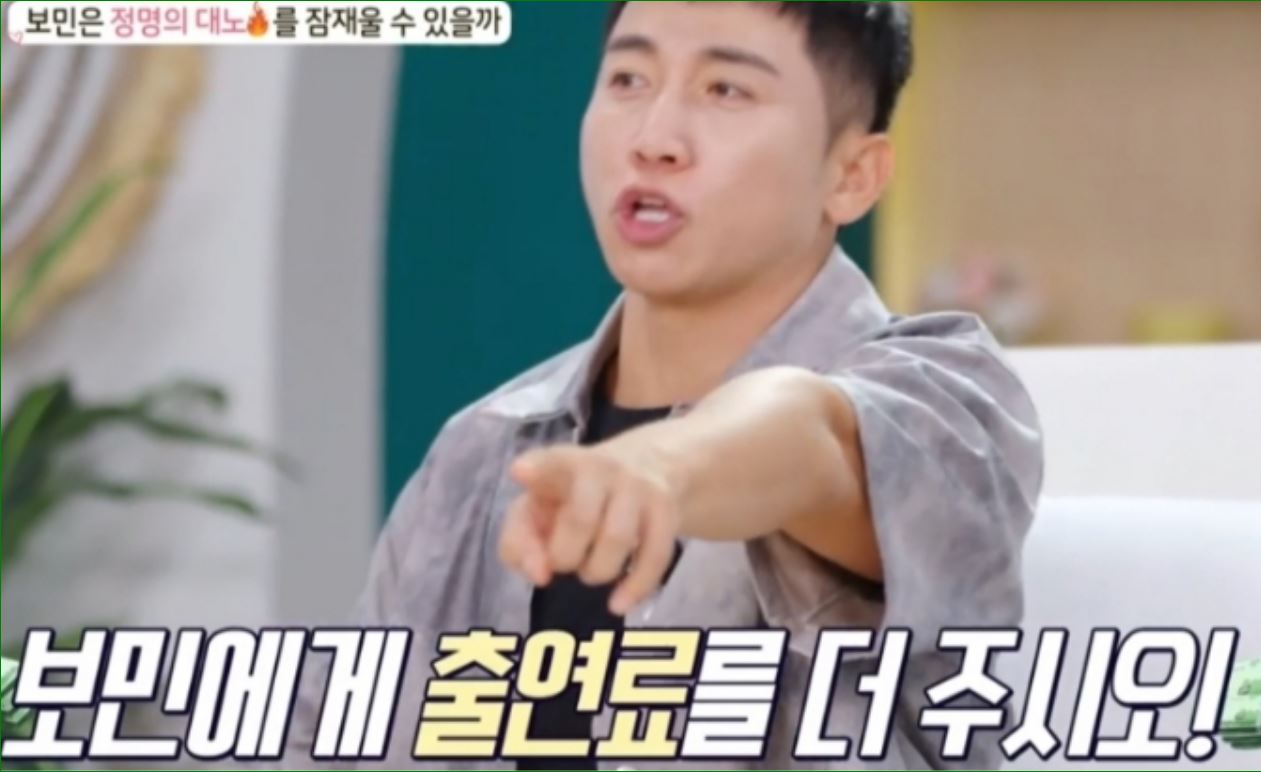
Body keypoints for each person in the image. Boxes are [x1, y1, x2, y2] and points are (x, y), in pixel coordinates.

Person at [286, 2, 1042, 768]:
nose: (653, 139)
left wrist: (660, 466)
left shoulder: (945, 394)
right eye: (628, 79)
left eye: (726, 90)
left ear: (852, 175)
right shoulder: (483, 450)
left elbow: (812, 431)